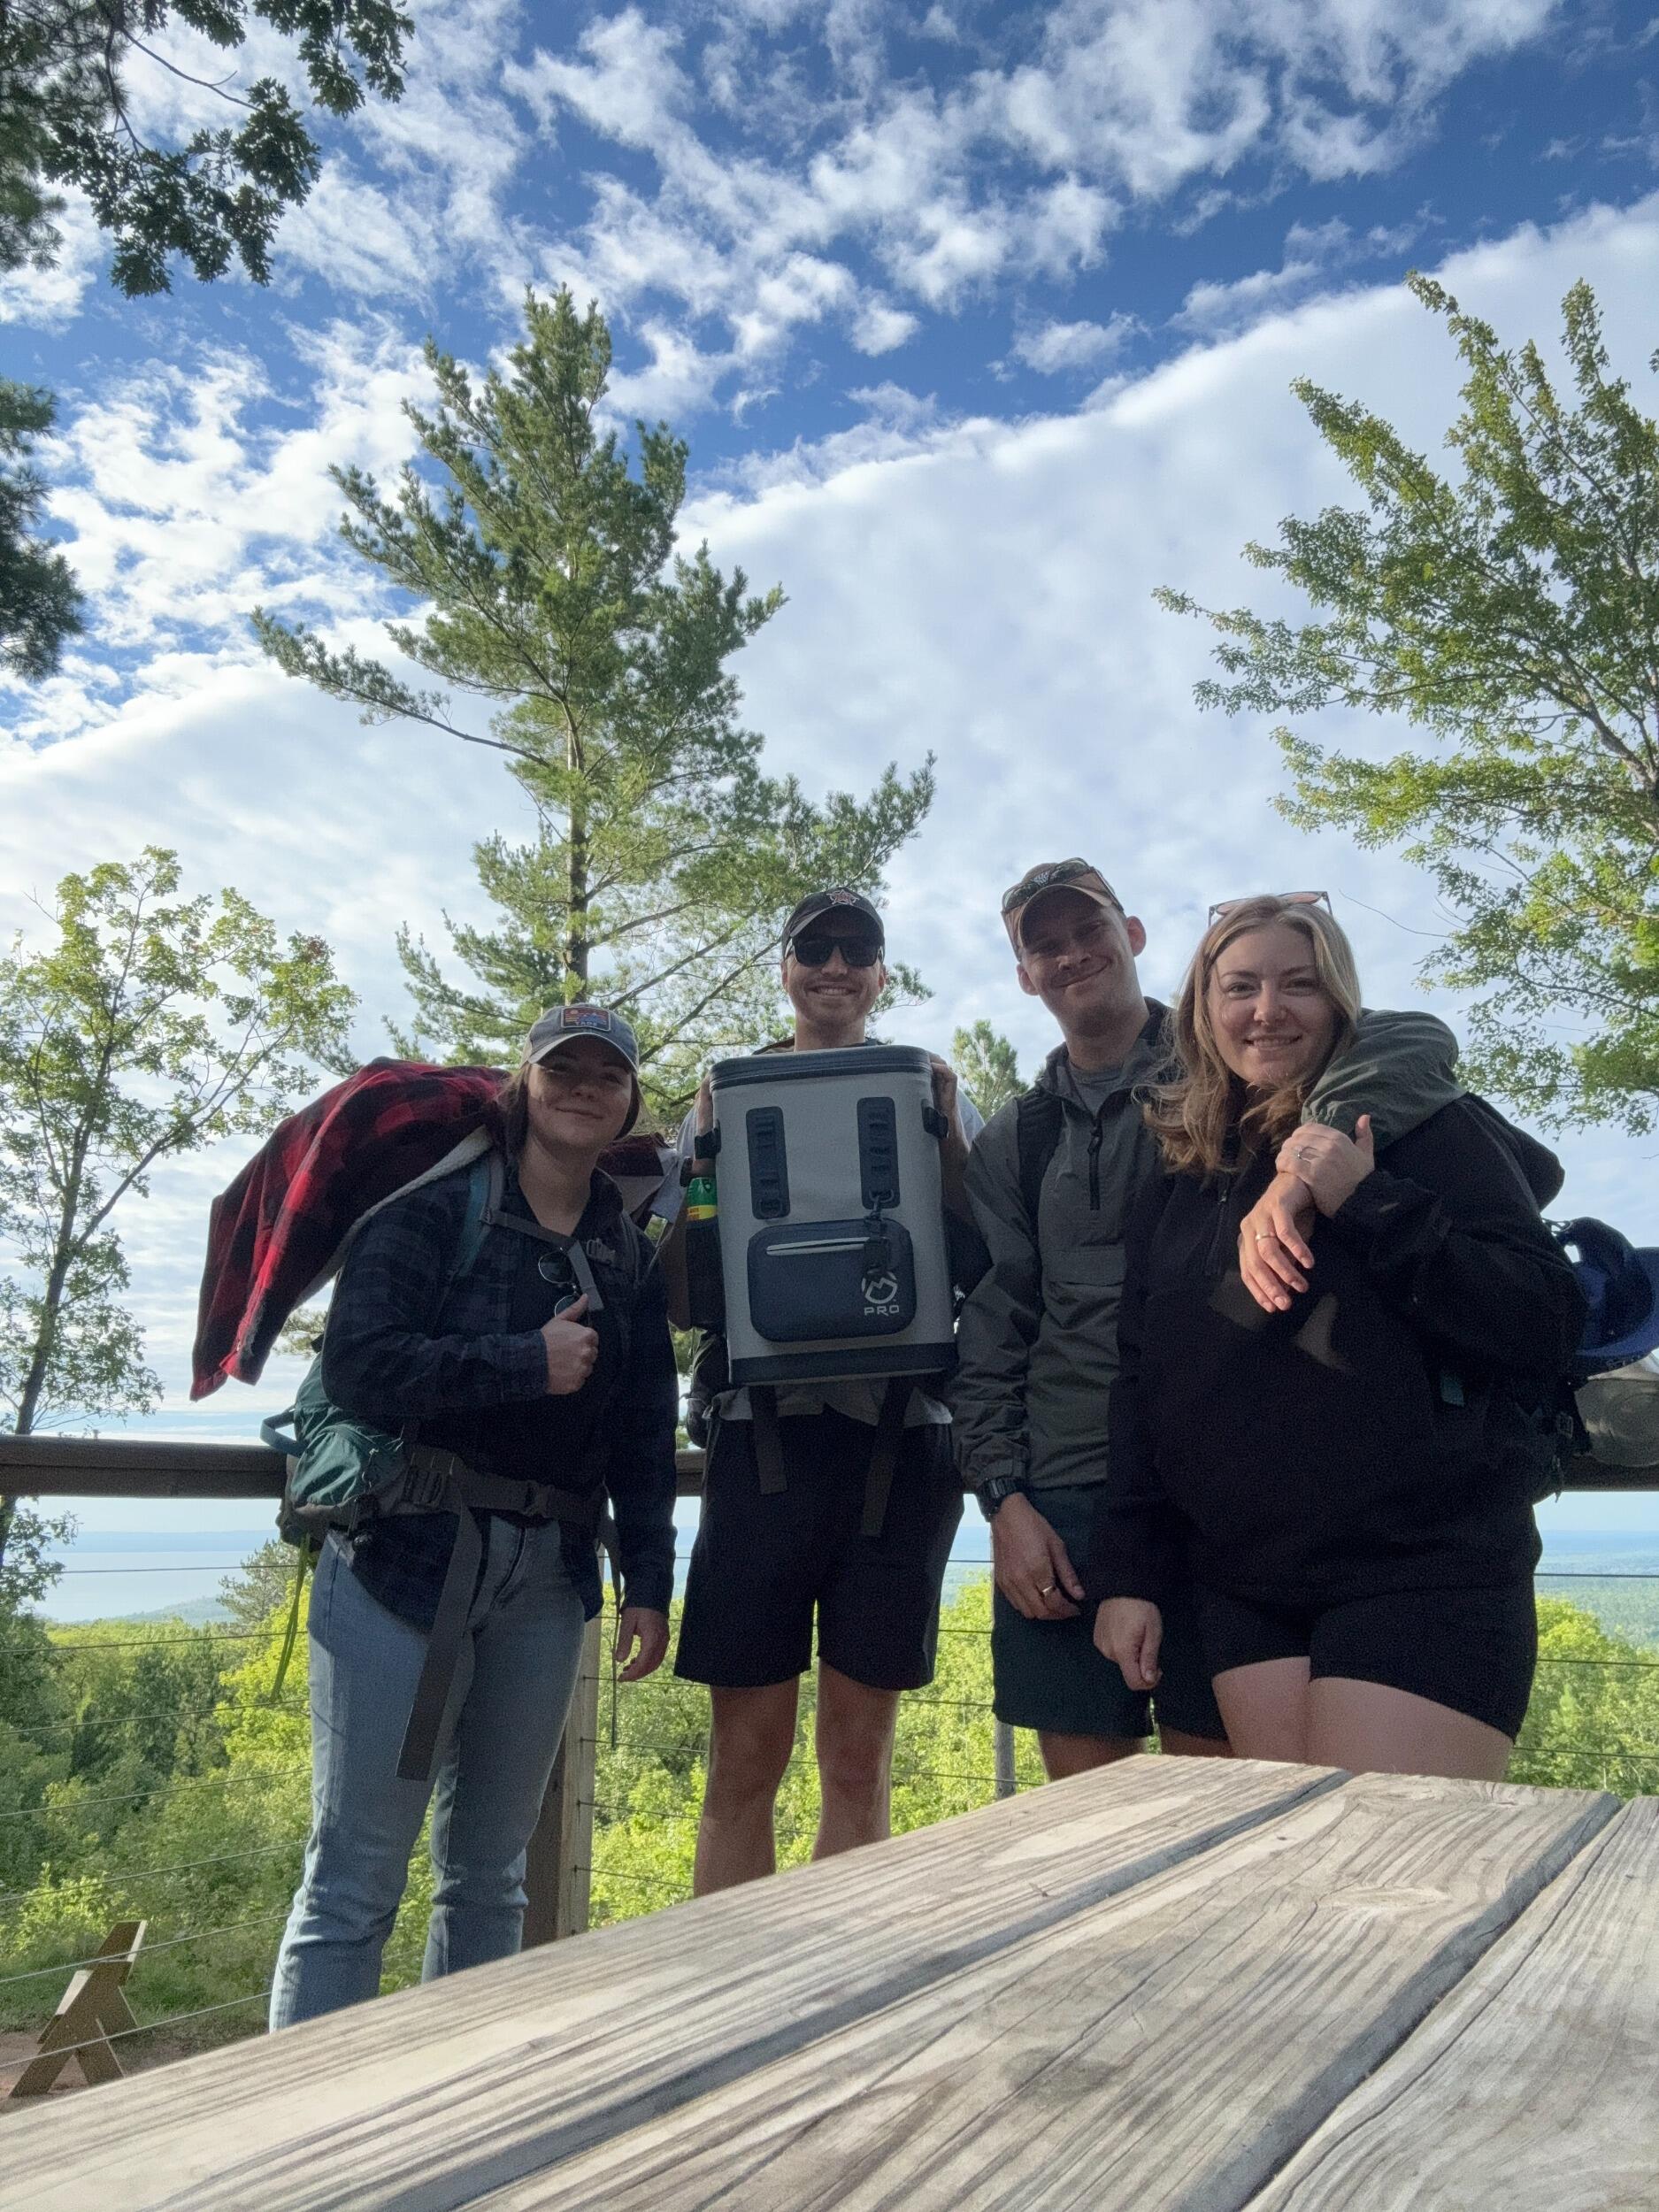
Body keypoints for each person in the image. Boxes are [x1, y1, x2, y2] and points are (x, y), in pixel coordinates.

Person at [953, 860, 1467, 1782]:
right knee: (1084, 1811)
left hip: (1220, 1486)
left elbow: (1417, 1041)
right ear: (1025, 974)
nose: (1073, 954)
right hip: (1067, 1487)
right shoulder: (1013, 1141)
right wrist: (1003, 1497)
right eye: (1045, 943)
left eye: (1089, 929)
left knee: (1233, 1796)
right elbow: (993, 1325)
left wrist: (1304, 1163)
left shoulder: (1238, 1069)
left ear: (1136, 934)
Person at [1090, 895, 1586, 1778]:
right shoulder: (1180, 1182)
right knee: (1287, 1891)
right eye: (1239, 986)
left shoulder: (1428, 1130)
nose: (1267, 1009)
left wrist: (1367, 1200)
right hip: (1243, 1590)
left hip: (1421, 1572)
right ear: (1204, 1011)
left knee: (1384, 1888)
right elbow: (1142, 1387)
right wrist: (1130, 1571)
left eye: (1299, 985)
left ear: (1340, 1002)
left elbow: (1539, 1317)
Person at [269, 1005, 677, 2027]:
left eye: (607, 1073)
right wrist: (522, 1363)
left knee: (491, 1879)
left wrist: (651, 1582)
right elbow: (359, 1366)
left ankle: (455, 2127)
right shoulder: (430, 1211)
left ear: (629, 1099)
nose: (585, 1086)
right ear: (523, 1084)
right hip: (400, 1565)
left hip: (549, 1586)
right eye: (563, 1068)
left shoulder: (623, 1253)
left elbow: (642, 1430)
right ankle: (297, 2153)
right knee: (353, 1882)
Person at [657, 888, 980, 1893]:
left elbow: (983, 1255)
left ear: (882, 973)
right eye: (815, 948)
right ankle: (729, 1995)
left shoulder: (930, 1089)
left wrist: (948, 1130)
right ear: (786, 967)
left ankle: (836, 1989)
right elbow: (683, 1288)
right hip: (764, 1448)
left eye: (858, 950)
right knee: (743, 1762)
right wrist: (705, 1152)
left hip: (900, 1449)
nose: (835, 966)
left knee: (856, 1759)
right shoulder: (723, 1096)